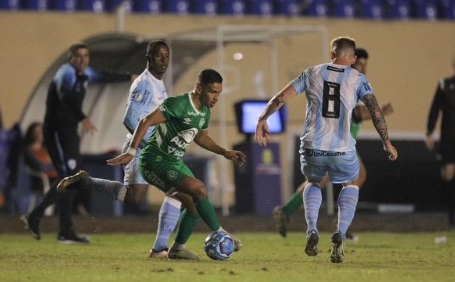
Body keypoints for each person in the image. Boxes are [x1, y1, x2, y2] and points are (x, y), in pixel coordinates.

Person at [59, 68, 246, 260]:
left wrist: (225, 152)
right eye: (212, 92)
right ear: (199, 88)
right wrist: (131, 152)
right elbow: (145, 120)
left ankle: (177, 249)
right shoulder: (179, 103)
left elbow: (202, 138)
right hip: (154, 160)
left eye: (219, 93)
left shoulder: (205, 111)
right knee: (199, 189)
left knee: (193, 206)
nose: (216, 97)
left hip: (173, 161)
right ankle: (221, 232)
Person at [255, 36, 397, 263]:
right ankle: (340, 232)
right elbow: (375, 111)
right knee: (351, 183)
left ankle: (311, 229)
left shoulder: (312, 72)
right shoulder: (358, 78)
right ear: (353, 58)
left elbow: (282, 96)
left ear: (332, 55)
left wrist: (263, 118)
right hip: (342, 148)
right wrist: (386, 142)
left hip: (313, 147)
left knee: (313, 182)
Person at [56, 40, 183, 258]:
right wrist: (149, 145)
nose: (163, 60)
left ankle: (86, 181)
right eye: (159, 56)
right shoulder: (144, 84)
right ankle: (162, 248)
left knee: (135, 197)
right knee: (180, 191)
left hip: (151, 148)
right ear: (149, 58)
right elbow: (131, 119)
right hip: (141, 148)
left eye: (166, 56)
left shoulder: (159, 83)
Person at [21, 42, 134, 243]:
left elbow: (104, 76)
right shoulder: (65, 73)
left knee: (73, 180)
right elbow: (67, 99)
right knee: (71, 178)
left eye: (86, 56)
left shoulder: (86, 73)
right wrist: (83, 117)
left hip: (69, 131)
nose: (83, 59)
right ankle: (37, 216)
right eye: (78, 56)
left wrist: (130, 77)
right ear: (70, 59)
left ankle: (63, 229)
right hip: (57, 131)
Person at [425, 55, 455, 228]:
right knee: (448, 174)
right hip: (449, 138)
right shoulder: (445, 85)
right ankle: (451, 213)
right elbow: (435, 109)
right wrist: (429, 131)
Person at [22, 122, 58, 212]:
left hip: (53, 177)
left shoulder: (46, 150)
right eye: (37, 131)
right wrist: (52, 169)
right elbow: (39, 166)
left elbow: (54, 164)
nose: (40, 134)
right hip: (40, 180)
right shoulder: (29, 151)